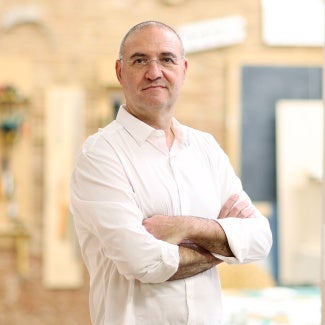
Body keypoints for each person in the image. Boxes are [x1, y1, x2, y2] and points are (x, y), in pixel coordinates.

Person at [70, 20, 272, 325]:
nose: (154, 72)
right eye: (140, 60)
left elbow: (259, 238)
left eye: (166, 59)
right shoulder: (100, 155)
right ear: (120, 72)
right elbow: (142, 262)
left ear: (184, 69)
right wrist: (225, 246)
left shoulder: (204, 148)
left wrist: (185, 228)